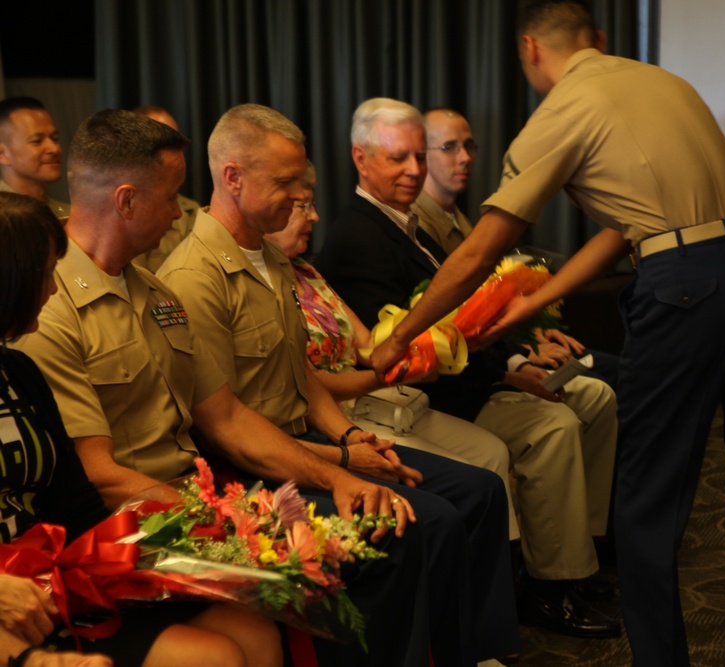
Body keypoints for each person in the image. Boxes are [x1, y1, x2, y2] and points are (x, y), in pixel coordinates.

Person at [368, 2, 725, 666]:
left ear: (530, 48)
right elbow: (635, 223)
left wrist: (401, 337)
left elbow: (479, 251)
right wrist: (546, 293)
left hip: (685, 287)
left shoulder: (565, 109)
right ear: (597, 39)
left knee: (647, 504)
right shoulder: (663, 83)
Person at [11, 109, 429, 667]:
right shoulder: (50, 311)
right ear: (126, 201)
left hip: (196, 499)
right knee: (323, 573)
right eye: (172, 198)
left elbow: (226, 417)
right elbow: (99, 477)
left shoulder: (157, 293)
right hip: (131, 526)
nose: (183, 214)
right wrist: (228, 522)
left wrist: (338, 474)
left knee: (367, 545)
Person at [156, 103, 518, 666]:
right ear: (232, 178)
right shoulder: (193, 276)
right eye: (285, 183)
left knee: (478, 492)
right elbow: (226, 428)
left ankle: (467, 652)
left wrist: (351, 439)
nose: (299, 197)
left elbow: (298, 374)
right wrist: (337, 462)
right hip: (260, 464)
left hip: (311, 439)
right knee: (420, 522)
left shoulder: (272, 258)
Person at [315, 97, 620, 639]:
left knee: (593, 398)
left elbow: (464, 318)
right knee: (553, 426)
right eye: (397, 159)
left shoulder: (412, 227)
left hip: (460, 381)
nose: (415, 170)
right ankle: (553, 584)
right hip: (431, 396)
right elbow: (412, 350)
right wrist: (506, 371)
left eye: (417, 156)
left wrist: (514, 354)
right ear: (361, 160)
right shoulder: (357, 238)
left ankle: (580, 559)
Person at [0, 192, 283, 667]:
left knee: (252, 626)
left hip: (55, 579)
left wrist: (191, 537)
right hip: (11, 591)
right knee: (211, 656)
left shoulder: (19, 372)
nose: (51, 290)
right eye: (45, 274)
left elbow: (75, 503)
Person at [264, 160, 521, 541]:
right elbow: (313, 383)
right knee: (472, 477)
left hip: (372, 401)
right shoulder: (264, 283)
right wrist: (387, 374)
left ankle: (505, 575)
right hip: (332, 417)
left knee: (491, 452)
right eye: (302, 206)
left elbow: (368, 344)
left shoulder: (306, 272)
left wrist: (443, 340)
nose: (315, 216)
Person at [414, 107, 618, 388]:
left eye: (470, 146)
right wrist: (523, 350)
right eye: (449, 147)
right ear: (420, 154)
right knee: (602, 384)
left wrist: (535, 332)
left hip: (502, 347)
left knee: (614, 370)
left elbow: (486, 302)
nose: (465, 158)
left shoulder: (459, 219)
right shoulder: (418, 226)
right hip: (473, 369)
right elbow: (447, 318)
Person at [130, 105, 201, 273]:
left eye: (177, 143)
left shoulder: (192, 211)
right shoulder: (129, 210)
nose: (174, 152)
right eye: (164, 143)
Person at [0, 98, 69, 219]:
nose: (54, 149)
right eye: (37, 141)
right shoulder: (5, 216)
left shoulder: (67, 215)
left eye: (55, 138)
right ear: (2, 154)